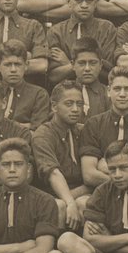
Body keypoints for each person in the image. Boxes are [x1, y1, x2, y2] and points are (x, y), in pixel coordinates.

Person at [79, 66, 128, 188]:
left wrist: (106, 166)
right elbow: (89, 175)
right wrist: (126, 174)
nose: (122, 94)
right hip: (103, 191)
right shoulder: (93, 124)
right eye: (117, 89)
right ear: (108, 91)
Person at [32, 80, 92, 230]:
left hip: (81, 189)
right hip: (52, 193)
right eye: (69, 103)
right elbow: (53, 173)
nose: (75, 109)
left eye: (79, 104)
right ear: (54, 106)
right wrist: (70, 202)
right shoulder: (43, 134)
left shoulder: (85, 131)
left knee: (85, 203)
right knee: (60, 206)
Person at [46, 0, 118, 84]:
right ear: (69, 2)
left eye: (89, 0)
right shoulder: (56, 32)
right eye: (78, 0)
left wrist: (71, 65)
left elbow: (108, 72)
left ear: (96, 3)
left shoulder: (107, 28)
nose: (84, 5)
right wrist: (90, 64)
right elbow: (53, 76)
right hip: (66, 91)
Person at [0, 40, 51, 129]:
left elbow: (38, 131)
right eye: (8, 64)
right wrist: (25, 126)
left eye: (18, 64)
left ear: (26, 65)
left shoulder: (39, 95)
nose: (13, 70)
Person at [67, 38, 109, 119]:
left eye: (93, 63)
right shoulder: (63, 93)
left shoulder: (108, 95)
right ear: (73, 65)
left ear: (100, 64)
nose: (87, 68)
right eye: (81, 63)